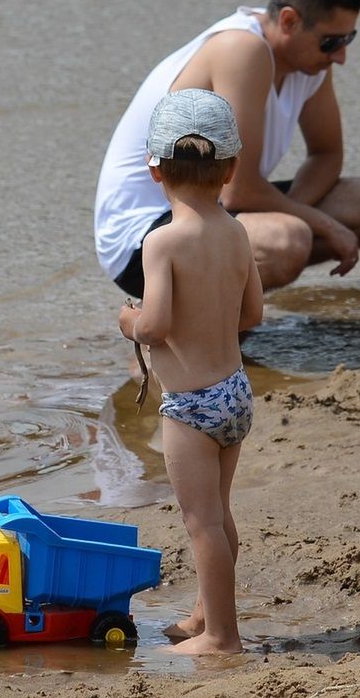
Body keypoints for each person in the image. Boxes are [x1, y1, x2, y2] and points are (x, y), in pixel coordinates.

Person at [96, 0, 360, 296]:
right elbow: (238, 189)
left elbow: (327, 154)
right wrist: (318, 223)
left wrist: (298, 212)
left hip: (214, 206)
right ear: (288, 20)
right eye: (331, 42)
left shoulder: (310, 61)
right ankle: (204, 340)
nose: (340, 56)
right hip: (141, 237)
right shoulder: (243, 49)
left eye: (347, 39)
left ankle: (217, 315)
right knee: (286, 240)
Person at [118, 89, 263, 655]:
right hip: (234, 393)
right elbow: (252, 313)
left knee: (201, 522)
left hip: (191, 406)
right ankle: (207, 615)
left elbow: (153, 325)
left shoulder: (162, 242)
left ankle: (223, 638)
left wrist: (126, 320)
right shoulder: (237, 231)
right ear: (230, 168)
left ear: (153, 170)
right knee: (220, 515)